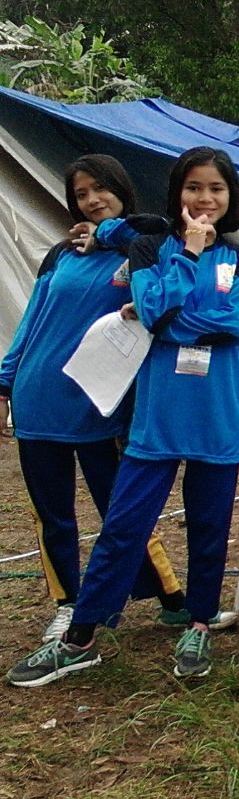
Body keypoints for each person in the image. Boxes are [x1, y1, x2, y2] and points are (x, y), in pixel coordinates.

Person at [7, 147, 239, 686]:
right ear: (177, 193)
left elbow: (232, 323)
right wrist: (187, 258)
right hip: (157, 415)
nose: (204, 198)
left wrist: (164, 315)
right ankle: (80, 637)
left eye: (215, 188)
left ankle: (198, 624)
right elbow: (154, 308)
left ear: (230, 195)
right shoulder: (150, 248)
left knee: (210, 527)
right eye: (193, 187)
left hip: (219, 411)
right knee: (123, 526)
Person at [0, 155, 187, 642]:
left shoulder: (143, 248)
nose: (92, 200)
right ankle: (67, 603)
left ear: (122, 189)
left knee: (123, 509)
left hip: (101, 403)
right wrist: (3, 384)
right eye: (81, 194)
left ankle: (170, 598)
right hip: (39, 398)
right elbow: (31, 323)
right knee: (53, 516)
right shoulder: (62, 255)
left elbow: (162, 233)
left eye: (101, 188)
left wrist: (107, 234)